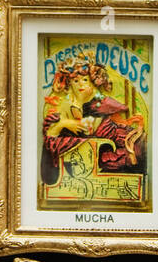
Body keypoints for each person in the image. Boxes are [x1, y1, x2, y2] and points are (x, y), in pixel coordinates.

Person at [41, 56, 145, 190]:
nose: (81, 84)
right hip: (79, 159)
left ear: (94, 83)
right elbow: (51, 135)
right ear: (69, 84)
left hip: (104, 151)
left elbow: (104, 127)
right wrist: (65, 124)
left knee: (134, 149)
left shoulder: (102, 103)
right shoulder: (66, 105)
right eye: (75, 81)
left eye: (85, 80)